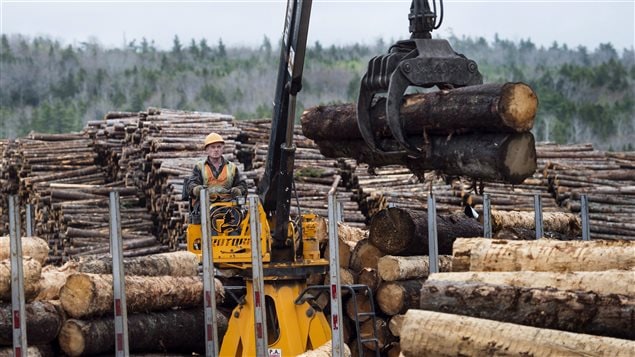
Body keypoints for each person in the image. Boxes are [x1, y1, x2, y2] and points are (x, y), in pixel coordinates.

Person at [187, 132, 247, 201]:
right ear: (207, 150)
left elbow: (242, 185)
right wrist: (196, 189)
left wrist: (238, 190)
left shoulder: (232, 167)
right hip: (205, 205)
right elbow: (191, 184)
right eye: (213, 147)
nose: (216, 150)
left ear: (223, 148)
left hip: (228, 205)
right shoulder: (200, 167)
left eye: (219, 147)